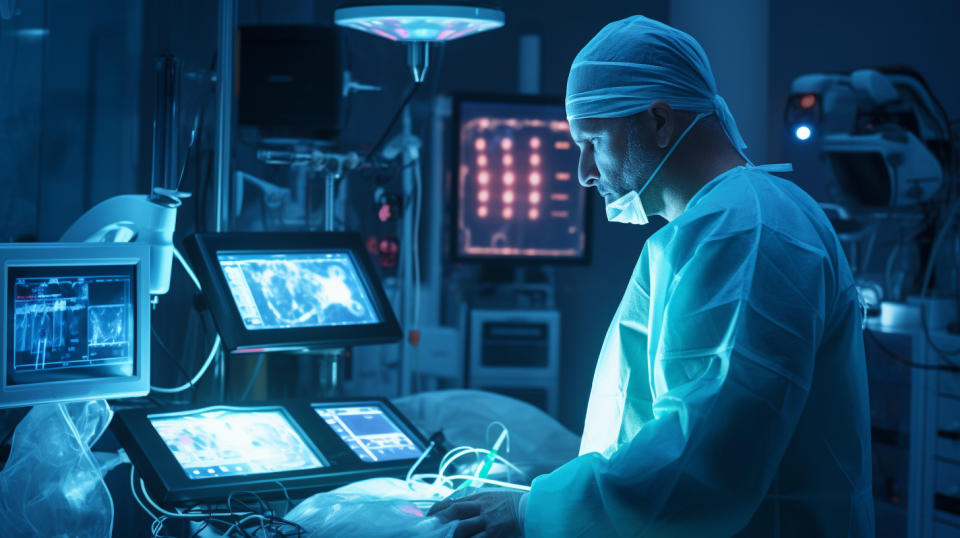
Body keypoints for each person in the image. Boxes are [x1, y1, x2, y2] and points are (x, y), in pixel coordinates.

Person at [429, 14, 874, 537]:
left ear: (659, 121)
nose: (584, 172)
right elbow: (650, 429)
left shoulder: (748, 231)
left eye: (592, 141)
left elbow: (705, 458)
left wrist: (533, 512)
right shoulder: (712, 229)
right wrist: (556, 494)